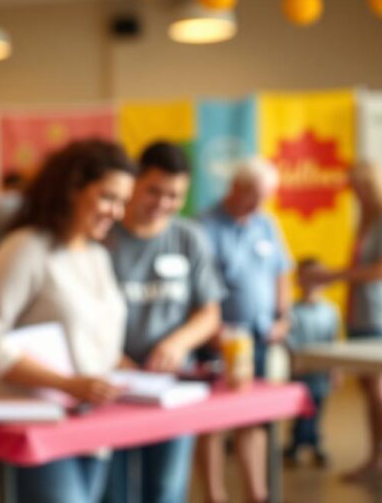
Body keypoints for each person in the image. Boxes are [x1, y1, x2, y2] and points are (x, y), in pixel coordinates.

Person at [0, 140, 135, 503]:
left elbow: (92, 336)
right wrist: (67, 383)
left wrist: (125, 369)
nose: (117, 212)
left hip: (87, 417)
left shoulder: (97, 256)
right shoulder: (26, 248)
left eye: (123, 201)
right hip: (30, 419)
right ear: (72, 188)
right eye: (108, 197)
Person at [100, 142, 224, 503]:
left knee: (167, 489)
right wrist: (108, 354)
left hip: (171, 387)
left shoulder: (189, 238)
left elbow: (209, 312)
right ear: (133, 183)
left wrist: (177, 344)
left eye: (174, 196)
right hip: (111, 386)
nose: (162, 203)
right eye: (154, 190)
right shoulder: (103, 237)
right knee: (114, 492)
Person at [303, 160, 382, 490]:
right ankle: (377, 457)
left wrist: (333, 275)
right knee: (371, 389)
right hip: (363, 314)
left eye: (361, 189)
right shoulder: (370, 219)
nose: (357, 196)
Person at [199, 158, 292, 503]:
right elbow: (198, 288)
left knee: (254, 417)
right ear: (235, 187)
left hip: (261, 335)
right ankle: (214, 495)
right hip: (218, 340)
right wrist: (211, 329)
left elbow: (282, 272)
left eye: (264, 198)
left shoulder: (266, 224)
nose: (258, 205)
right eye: (253, 196)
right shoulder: (204, 227)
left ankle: (257, 492)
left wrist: (283, 316)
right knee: (211, 421)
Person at [283, 257, 340, 468]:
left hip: (321, 372)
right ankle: (297, 444)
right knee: (301, 409)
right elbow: (289, 341)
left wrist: (335, 370)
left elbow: (333, 341)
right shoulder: (292, 311)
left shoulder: (330, 311)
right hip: (300, 371)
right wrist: (294, 360)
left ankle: (313, 443)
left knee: (318, 408)